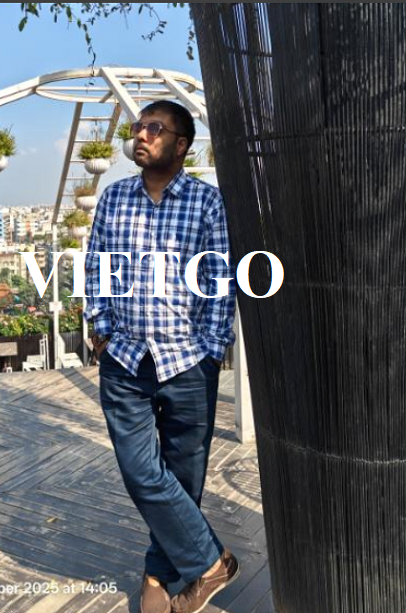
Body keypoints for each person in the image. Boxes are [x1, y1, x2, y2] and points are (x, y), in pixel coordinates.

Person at [84, 100, 239, 613]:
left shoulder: (206, 202)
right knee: (140, 471)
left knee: (183, 476)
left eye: (155, 128)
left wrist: (212, 351)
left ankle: (158, 572)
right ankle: (212, 562)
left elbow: (220, 279)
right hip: (125, 359)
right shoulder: (113, 197)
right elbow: (96, 266)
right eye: (138, 127)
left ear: (182, 144)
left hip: (188, 361)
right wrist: (101, 331)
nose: (142, 135)